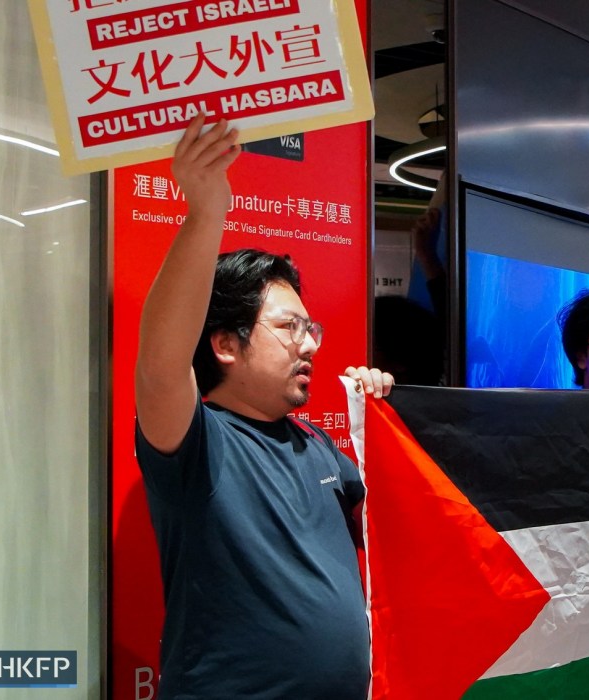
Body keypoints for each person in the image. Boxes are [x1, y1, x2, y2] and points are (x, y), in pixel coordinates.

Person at [134, 115, 392, 699]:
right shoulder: (196, 443)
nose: (309, 344)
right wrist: (206, 212)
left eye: (311, 328)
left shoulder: (318, 444)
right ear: (225, 343)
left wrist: (383, 420)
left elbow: (391, 540)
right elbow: (159, 367)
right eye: (288, 327)